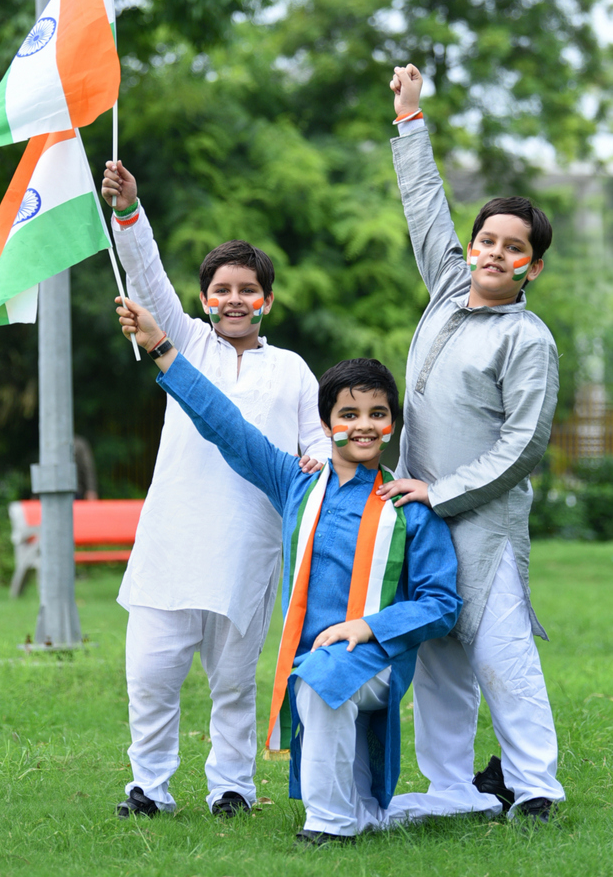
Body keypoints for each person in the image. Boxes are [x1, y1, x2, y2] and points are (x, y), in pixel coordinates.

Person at [114, 295, 462, 843]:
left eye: (377, 415)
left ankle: (328, 827)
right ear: (325, 426)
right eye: (348, 415)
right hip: (313, 663)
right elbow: (224, 424)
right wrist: (161, 348)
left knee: (322, 685)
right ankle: (456, 803)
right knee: (358, 773)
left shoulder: (406, 504)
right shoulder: (299, 486)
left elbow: (442, 604)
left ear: (393, 425)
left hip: (376, 660)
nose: (363, 427)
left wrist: (366, 628)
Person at [100, 163, 331, 819]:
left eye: (247, 290)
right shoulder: (187, 344)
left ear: (267, 301)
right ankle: (148, 787)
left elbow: (316, 442)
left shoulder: (290, 368)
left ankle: (232, 786)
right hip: (172, 544)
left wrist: (315, 464)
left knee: (233, 682)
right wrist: (129, 211)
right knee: (151, 677)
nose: (234, 299)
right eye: (221, 289)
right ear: (204, 300)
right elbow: (145, 277)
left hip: (247, 548)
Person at [377, 64, 565, 824]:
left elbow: (523, 447)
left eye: (511, 247)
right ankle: (453, 788)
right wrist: (410, 119)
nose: (492, 252)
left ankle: (537, 787)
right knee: (438, 655)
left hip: (480, 523)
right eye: (486, 238)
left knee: (500, 652)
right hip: (419, 515)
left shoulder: (529, 339)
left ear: (532, 267)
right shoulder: (447, 287)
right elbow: (425, 208)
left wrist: (441, 491)